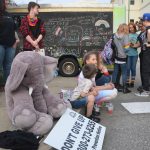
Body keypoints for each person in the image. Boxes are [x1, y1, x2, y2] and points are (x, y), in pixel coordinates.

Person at [0, 0, 19, 91]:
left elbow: (14, 29)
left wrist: (16, 40)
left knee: (8, 67)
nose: (7, 2)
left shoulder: (9, 14)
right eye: (5, 1)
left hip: (10, 45)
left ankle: (7, 87)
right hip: (0, 45)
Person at [133, 13, 150, 96]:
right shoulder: (143, 32)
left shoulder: (149, 30)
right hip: (143, 53)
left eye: (142, 21)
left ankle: (146, 90)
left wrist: (148, 44)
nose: (140, 23)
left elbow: (148, 43)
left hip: (148, 53)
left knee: (146, 71)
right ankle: (145, 87)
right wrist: (133, 45)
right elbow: (140, 43)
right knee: (144, 71)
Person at [112, 23, 131, 94]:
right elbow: (126, 48)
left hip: (116, 56)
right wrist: (128, 47)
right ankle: (124, 88)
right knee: (124, 73)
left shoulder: (114, 35)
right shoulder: (125, 36)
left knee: (115, 72)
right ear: (125, 28)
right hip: (123, 56)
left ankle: (113, 86)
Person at [126, 23, 138, 87]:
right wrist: (127, 45)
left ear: (134, 28)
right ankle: (127, 81)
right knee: (127, 68)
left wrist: (133, 45)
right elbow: (124, 46)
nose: (131, 29)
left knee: (133, 68)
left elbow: (138, 45)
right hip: (127, 54)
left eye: (132, 27)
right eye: (129, 27)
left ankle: (132, 82)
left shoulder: (137, 35)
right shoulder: (126, 35)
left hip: (134, 54)